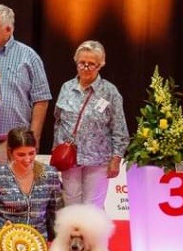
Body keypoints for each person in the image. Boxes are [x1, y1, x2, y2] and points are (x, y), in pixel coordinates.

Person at [52, 41, 127, 208]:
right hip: (69, 157)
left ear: (100, 65)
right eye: (82, 63)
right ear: (76, 62)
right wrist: (56, 149)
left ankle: (92, 235)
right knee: (70, 200)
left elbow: (120, 129)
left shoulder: (110, 92)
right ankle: (72, 234)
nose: (85, 67)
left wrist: (116, 159)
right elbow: (58, 121)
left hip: (98, 159)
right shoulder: (67, 87)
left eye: (91, 64)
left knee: (92, 205)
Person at [0, 4, 51, 167]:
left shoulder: (28, 56)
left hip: (13, 143)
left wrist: (33, 137)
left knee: (11, 190)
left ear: (8, 30)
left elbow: (41, 100)